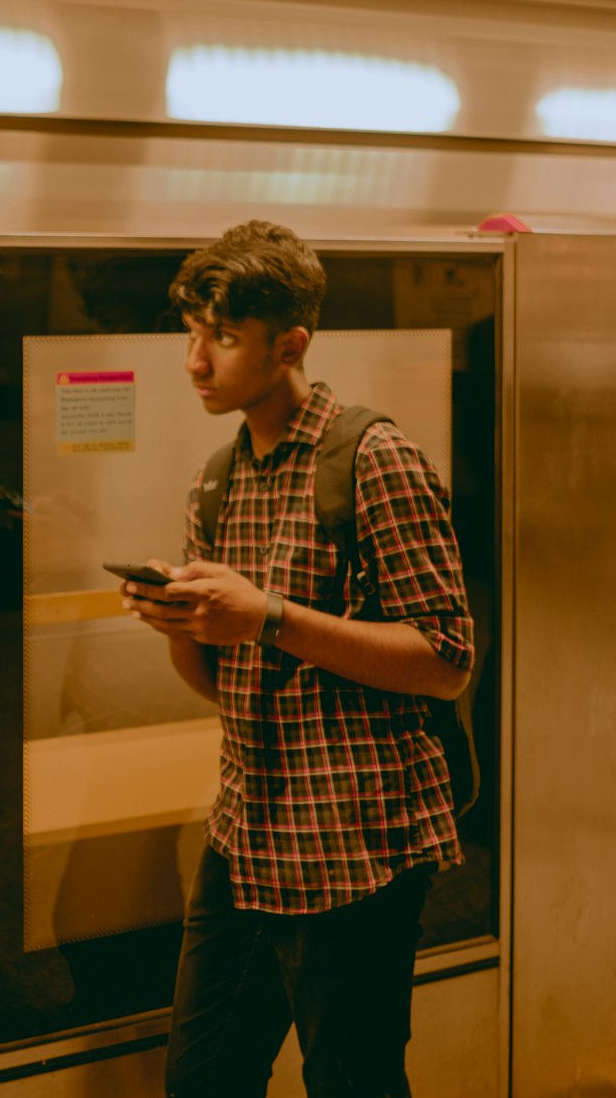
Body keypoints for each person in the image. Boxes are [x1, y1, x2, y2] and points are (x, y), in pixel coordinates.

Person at [121, 220, 473, 1098]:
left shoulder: (373, 460)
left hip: (355, 842)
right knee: (201, 1080)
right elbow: (220, 683)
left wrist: (269, 615)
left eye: (224, 338)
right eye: (192, 335)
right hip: (246, 833)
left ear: (291, 345)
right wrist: (182, 626)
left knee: (352, 1079)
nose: (197, 362)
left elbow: (447, 658)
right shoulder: (219, 477)